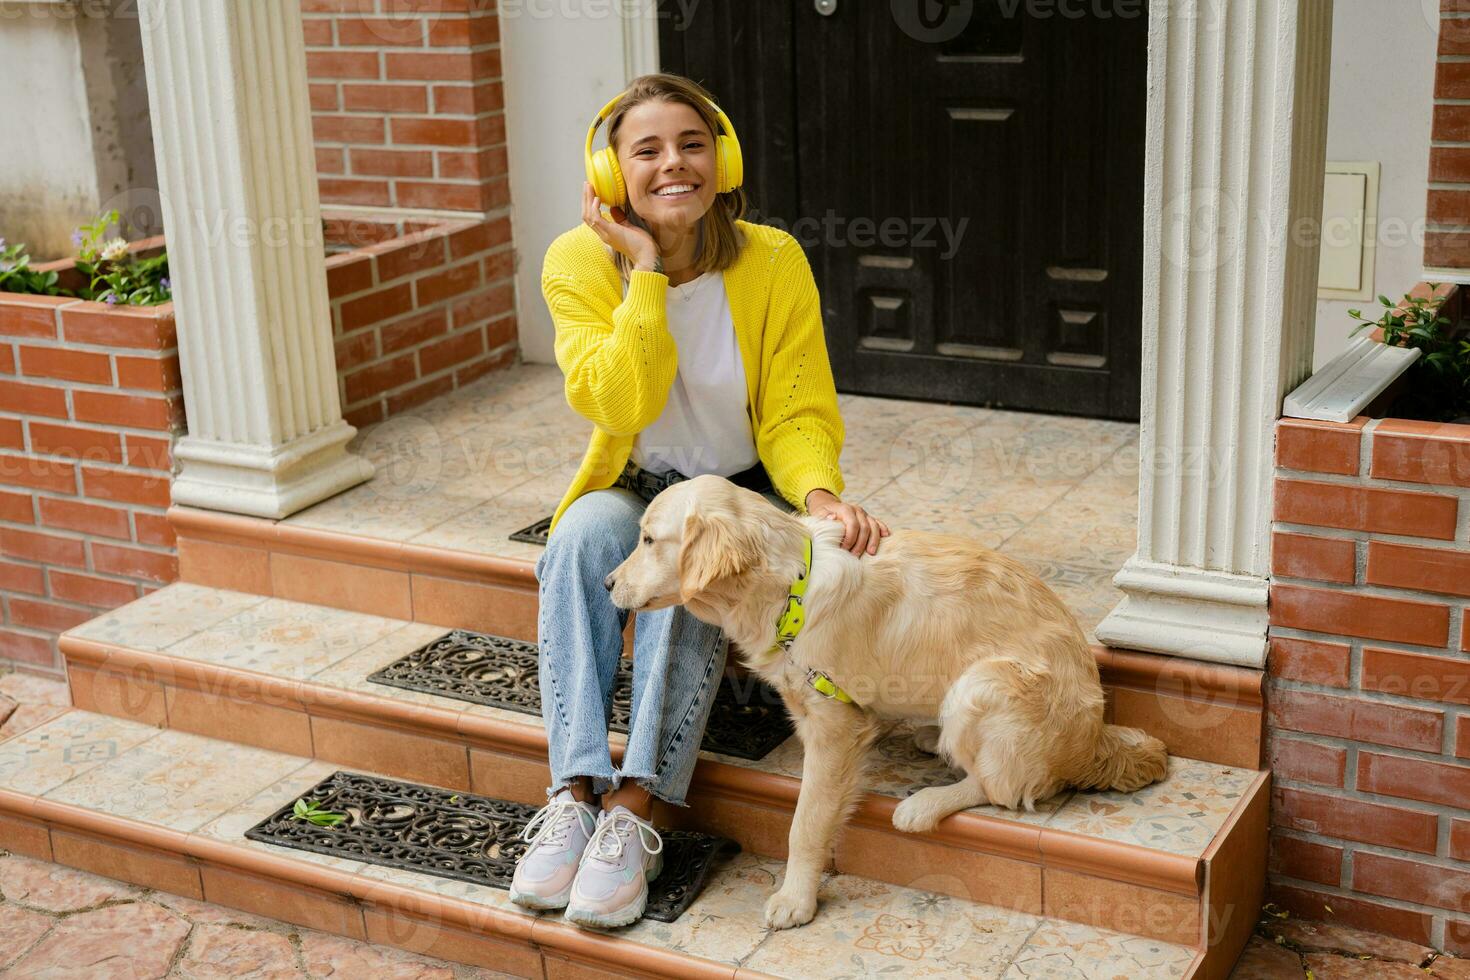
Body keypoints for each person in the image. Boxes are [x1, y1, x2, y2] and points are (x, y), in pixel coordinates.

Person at [509, 72, 888, 929]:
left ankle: (636, 809)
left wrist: (822, 496)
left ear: (724, 159)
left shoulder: (773, 259)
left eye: (692, 143)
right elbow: (621, 404)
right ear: (611, 175)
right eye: (646, 150)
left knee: (695, 562)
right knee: (574, 544)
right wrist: (644, 270)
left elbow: (795, 407)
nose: (673, 163)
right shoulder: (578, 261)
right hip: (635, 491)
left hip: (742, 490)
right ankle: (572, 792)